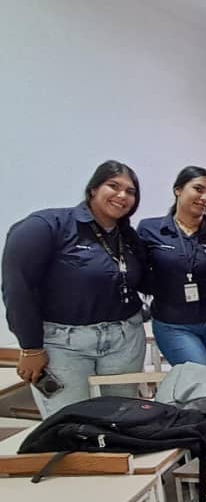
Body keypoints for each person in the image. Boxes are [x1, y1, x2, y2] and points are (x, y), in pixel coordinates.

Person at [3, 161, 148, 417]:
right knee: (69, 424)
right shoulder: (46, 226)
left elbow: (145, 279)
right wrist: (30, 347)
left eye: (130, 191)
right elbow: (18, 288)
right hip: (63, 346)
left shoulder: (127, 236)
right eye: (113, 186)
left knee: (121, 419)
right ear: (93, 189)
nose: (122, 195)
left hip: (125, 341)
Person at [137, 166, 206, 368]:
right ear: (178, 189)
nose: (205, 198)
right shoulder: (150, 229)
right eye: (198, 189)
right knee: (201, 376)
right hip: (173, 325)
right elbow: (139, 273)